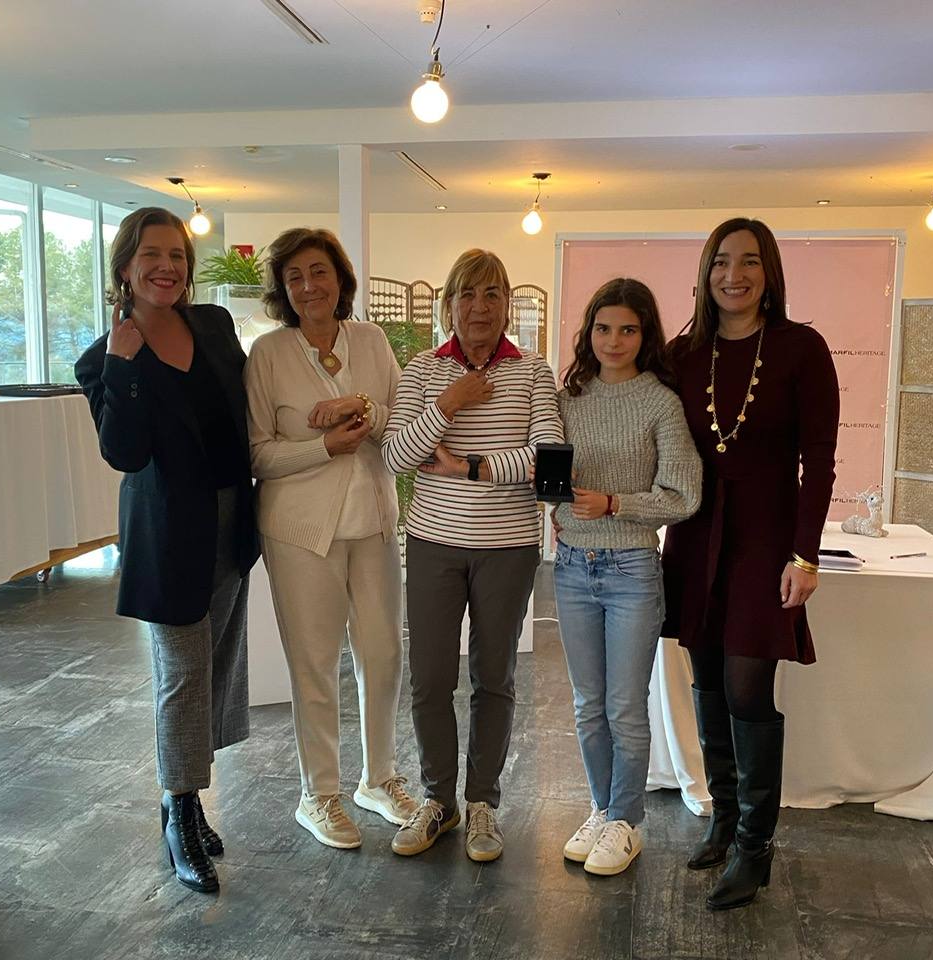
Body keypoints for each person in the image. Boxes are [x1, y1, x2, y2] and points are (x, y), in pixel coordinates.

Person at [75, 207, 258, 895]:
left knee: (214, 667)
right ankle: (182, 809)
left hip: (230, 520)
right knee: (182, 673)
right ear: (125, 266)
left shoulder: (212, 324)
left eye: (177, 255)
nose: (167, 267)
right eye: (152, 255)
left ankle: (183, 796)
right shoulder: (103, 357)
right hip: (167, 535)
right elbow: (124, 452)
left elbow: (247, 406)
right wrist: (123, 367)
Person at [661, 218, 839, 910]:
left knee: (744, 689)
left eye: (749, 262)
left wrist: (806, 553)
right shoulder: (683, 354)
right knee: (705, 678)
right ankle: (724, 819)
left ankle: (755, 849)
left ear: (770, 274)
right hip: (698, 530)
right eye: (721, 262)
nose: (733, 275)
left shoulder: (801, 348)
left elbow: (819, 460)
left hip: (767, 533)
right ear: (705, 274)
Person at [382, 248, 564, 862]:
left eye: (492, 295)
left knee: (494, 679)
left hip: (508, 549)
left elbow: (551, 462)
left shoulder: (535, 372)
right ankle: (440, 800)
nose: (479, 308)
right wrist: (450, 404)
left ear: (508, 304)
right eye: (467, 295)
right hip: (432, 544)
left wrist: (470, 466)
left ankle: (483, 801)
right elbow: (396, 457)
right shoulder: (421, 371)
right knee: (430, 678)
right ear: (448, 305)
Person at [245, 227, 417, 850]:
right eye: (294, 278)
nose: (308, 287)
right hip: (298, 533)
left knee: (382, 653)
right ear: (282, 290)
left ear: (341, 279)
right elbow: (258, 453)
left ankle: (379, 778)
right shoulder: (268, 354)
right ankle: (318, 793)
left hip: (371, 522)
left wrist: (357, 409)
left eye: (318, 273)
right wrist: (323, 446)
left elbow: (399, 428)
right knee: (313, 665)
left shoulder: (371, 340)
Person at [552, 278, 702, 876]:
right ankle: (600, 808)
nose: (613, 340)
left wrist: (615, 504)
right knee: (588, 704)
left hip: (633, 567)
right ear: (589, 333)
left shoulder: (660, 402)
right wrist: (557, 511)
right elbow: (551, 475)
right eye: (603, 328)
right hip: (570, 567)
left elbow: (684, 493)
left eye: (628, 329)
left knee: (623, 707)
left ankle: (626, 821)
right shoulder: (570, 398)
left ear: (646, 335)